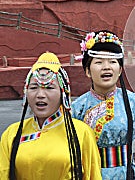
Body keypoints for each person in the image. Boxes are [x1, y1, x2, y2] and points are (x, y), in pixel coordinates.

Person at [72, 31, 135, 180]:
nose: (106, 67)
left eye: (113, 62)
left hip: (127, 175)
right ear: (88, 71)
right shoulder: (77, 108)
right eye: (99, 62)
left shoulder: (133, 103)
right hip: (90, 175)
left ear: (120, 70)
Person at [0, 52, 102, 180]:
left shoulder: (82, 133)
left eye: (49, 88)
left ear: (63, 93)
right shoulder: (12, 134)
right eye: (34, 87)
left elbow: (93, 176)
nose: (40, 94)